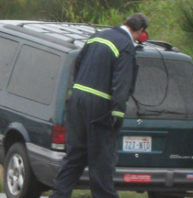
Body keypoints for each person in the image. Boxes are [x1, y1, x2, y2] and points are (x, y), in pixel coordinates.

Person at [50, 13, 148, 198]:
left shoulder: (98, 36)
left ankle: (58, 195)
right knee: (102, 161)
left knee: (75, 157)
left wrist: (77, 92)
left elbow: (77, 64)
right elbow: (122, 82)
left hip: (77, 101)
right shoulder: (125, 45)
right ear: (140, 31)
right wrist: (118, 111)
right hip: (99, 108)